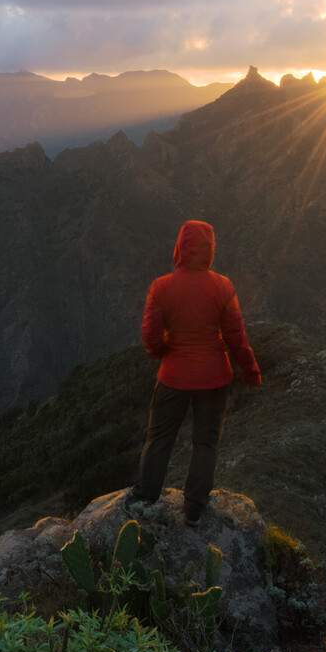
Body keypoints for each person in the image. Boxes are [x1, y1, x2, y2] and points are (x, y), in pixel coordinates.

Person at [132, 219, 261, 522]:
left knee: (160, 438)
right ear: (210, 250)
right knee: (205, 443)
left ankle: (146, 497)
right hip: (214, 378)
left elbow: (150, 336)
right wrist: (251, 370)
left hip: (173, 377)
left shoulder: (161, 287)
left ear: (179, 247)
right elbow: (236, 337)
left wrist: (164, 351)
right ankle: (194, 507)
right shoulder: (223, 286)